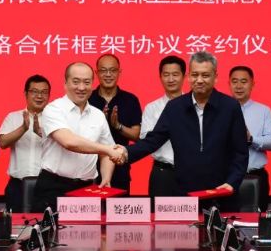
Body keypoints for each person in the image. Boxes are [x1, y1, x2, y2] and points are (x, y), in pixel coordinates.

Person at [117, 51, 249, 211]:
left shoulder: (230, 107)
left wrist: (232, 182)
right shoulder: (175, 107)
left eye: (205, 75)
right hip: (185, 194)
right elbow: (153, 140)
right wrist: (126, 152)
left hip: (222, 191)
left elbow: (240, 152)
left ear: (215, 76)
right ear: (188, 76)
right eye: (195, 75)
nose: (199, 80)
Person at [32, 62, 124, 211]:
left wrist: (106, 177)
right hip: (54, 187)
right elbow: (69, 142)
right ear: (65, 83)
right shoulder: (53, 109)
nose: (81, 87)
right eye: (76, 82)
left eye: (86, 82)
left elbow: (107, 153)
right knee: (49, 227)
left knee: (87, 227)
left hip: (87, 188)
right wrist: (107, 149)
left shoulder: (98, 115)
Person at [89, 53, 142, 192]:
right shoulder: (87, 99)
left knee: (119, 206)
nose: (108, 74)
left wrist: (117, 126)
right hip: (89, 169)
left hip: (120, 166)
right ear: (96, 73)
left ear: (119, 72)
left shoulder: (130, 100)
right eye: (103, 70)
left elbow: (137, 135)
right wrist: (99, 126)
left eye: (112, 70)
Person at [0, 74, 51, 212]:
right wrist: (23, 128)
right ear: (26, 94)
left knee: (46, 223)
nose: (39, 96)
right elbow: (3, 143)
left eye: (44, 92)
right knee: (16, 223)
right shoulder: (13, 117)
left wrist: (41, 133)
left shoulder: (54, 119)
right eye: (35, 91)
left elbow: (62, 145)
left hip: (45, 185)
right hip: (17, 186)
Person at [229, 65, 271, 211]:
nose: (239, 86)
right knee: (226, 218)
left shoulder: (263, 111)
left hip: (256, 175)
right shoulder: (220, 109)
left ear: (252, 84)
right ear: (229, 84)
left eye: (244, 81)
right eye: (234, 81)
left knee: (258, 219)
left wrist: (251, 139)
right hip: (227, 177)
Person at [140, 55, 186, 198]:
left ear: (184, 76)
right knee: (158, 212)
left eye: (175, 74)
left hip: (190, 172)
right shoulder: (152, 108)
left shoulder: (195, 106)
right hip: (162, 172)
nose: (171, 79)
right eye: (166, 75)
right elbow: (145, 140)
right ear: (160, 77)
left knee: (192, 212)